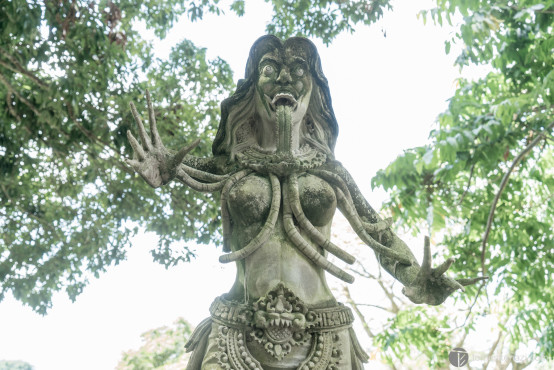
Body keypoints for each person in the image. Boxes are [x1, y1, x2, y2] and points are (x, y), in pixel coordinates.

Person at [126, 35, 486, 370]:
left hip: (324, 331)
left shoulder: (332, 172)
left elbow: (381, 236)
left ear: (313, 89)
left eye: (298, 71)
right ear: (253, 91)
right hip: (236, 328)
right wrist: (162, 166)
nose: (284, 79)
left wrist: (413, 274)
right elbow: (173, 167)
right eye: (268, 70)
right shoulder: (229, 165)